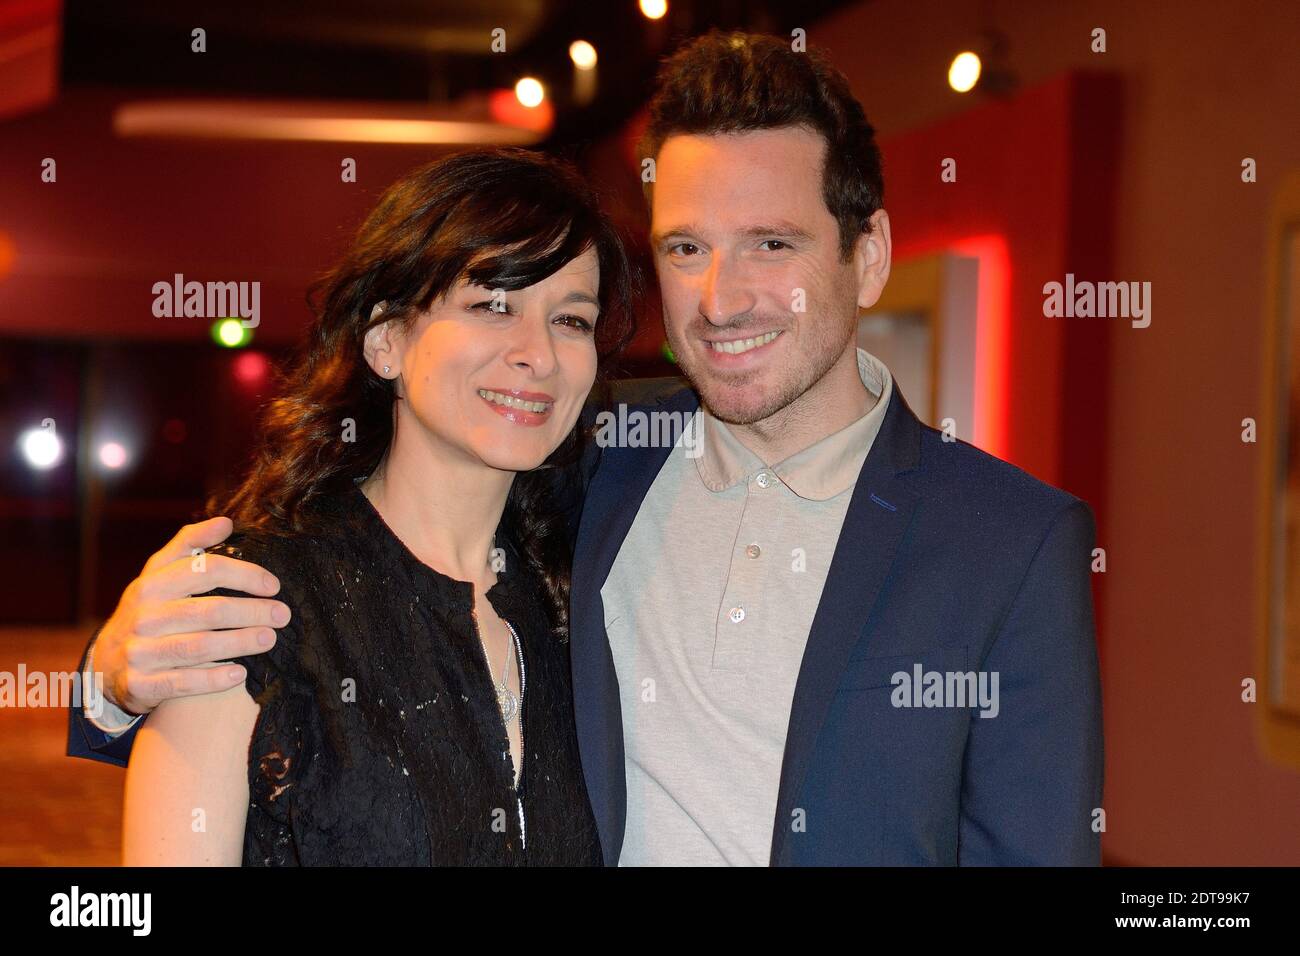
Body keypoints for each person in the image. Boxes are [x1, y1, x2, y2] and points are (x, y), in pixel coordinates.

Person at [71, 31, 1102, 866]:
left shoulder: (1008, 540)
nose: (721, 298)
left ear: (865, 254)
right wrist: (115, 671)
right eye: (686, 248)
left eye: (771, 245)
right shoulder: (599, 455)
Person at [112, 147, 637, 864]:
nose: (538, 355)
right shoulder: (251, 603)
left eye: (571, 320)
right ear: (386, 341)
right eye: (492, 305)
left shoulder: (578, 594)